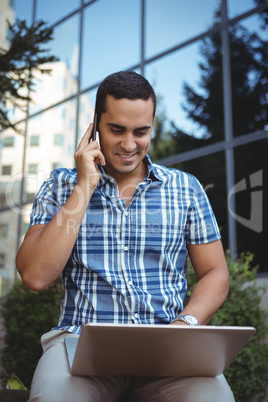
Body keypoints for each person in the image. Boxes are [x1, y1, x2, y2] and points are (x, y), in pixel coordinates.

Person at [16, 71, 234, 401]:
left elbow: (215, 273)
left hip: (168, 349)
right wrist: (85, 185)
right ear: (94, 126)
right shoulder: (60, 186)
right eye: (117, 130)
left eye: (141, 132)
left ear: (152, 128)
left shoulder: (185, 188)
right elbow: (34, 275)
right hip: (78, 344)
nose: (130, 145)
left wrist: (186, 325)